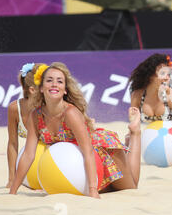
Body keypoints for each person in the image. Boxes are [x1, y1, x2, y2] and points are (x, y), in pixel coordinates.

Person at [9, 62, 142, 198]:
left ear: (65, 89)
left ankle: (135, 133)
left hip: (102, 151)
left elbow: (88, 151)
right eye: (49, 80)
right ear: (41, 88)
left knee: (130, 186)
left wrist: (92, 189)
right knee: (107, 190)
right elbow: (28, 155)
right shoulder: (35, 116)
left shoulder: (70, 113)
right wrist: (13, 191)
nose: (54, 84)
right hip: (77, 165)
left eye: (59, 81)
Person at [6, 63, 45, 188]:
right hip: (32, 162)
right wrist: (12, 179)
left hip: (52, 160)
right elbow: (12, 144)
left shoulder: (49, 106)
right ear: (32, 90)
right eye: (44, 86)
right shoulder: (14, 108)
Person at [128, 53, 172, 131]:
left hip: (170, 140)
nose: (167, 78)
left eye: (169, 74)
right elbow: (134, 128)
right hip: (148, 139)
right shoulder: (137, 96)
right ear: (150, 76)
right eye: (162, 73)